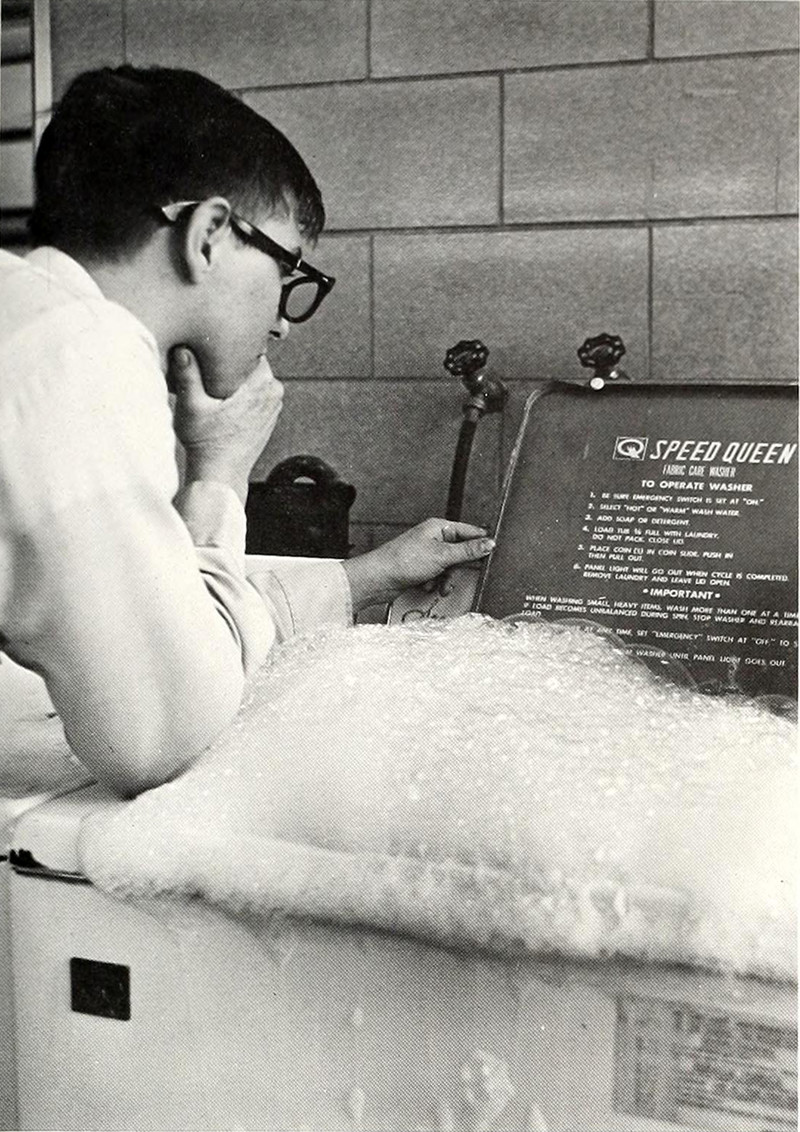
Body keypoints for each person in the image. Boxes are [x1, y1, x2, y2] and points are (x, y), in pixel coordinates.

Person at [0, 65, 494, 798]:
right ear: (207, 236)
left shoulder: (26, 316)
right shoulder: (80, 359)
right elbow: (158, 735)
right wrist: (220, 472)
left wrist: (365, 578)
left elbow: (145, 621)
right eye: (287, 270)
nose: (283, 323)